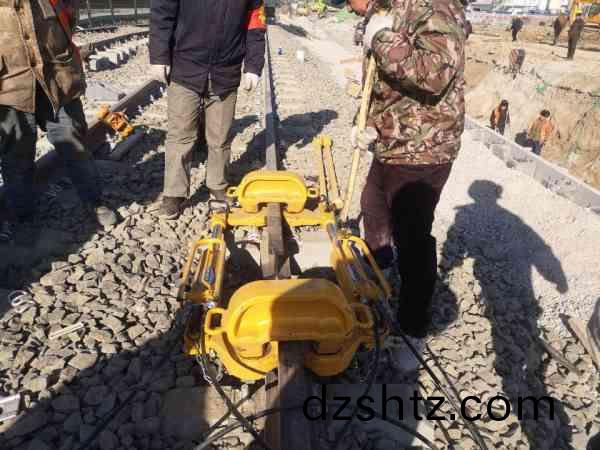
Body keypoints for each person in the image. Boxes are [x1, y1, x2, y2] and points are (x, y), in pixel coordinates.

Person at [346, 0, 466, 367]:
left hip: (424, 147)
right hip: (392, 142)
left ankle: (414, 328)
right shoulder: (383, 11)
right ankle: (377, 285)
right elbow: (384, 83)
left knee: (412, 239)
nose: (349, 7)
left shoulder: (433, 6)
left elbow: (434, 74)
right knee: (373, 209)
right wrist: (367, 122)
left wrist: (381, 38)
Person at [0, 0, 117, 234]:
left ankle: (94, 201)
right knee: (16, 154)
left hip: (57, 78)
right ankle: (21, 216)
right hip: (9, 86)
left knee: (75, 143)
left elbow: (70, 15)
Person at [150, 0, 267, 219]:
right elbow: (162, 12)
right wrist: (159, 56)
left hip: (226, 71)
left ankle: (218, 185)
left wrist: (253, 66)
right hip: (186, 67)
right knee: (180, 134)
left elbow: (255, 25)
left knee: (220, 137)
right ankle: (174, 193)